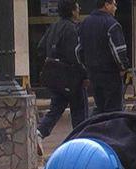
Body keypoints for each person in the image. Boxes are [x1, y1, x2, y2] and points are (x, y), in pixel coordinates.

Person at [35, 0, 89, 156]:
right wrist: (85, 74)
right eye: (77, 6)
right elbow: (76, 56)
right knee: (79, 111)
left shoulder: (53, 27)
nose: (79, 9)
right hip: (72, 78)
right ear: (72, 11)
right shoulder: (72, 29)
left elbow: (40, 48)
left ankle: (39, 132)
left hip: (56, 78)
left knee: (56, 108)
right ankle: (80, 142)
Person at [77, 0, 130, 114]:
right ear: (106, 5)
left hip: (94, 74)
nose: (115, 8)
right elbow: (119, 50)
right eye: (114, 4)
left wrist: (87, 67)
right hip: (110, 74)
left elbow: (79, 50)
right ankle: (111, 131)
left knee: (100, 108)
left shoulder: (85, 23)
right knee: (114, 110)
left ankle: (98, 130)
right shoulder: (112, 24)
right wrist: (123, 67)